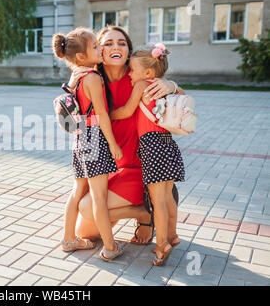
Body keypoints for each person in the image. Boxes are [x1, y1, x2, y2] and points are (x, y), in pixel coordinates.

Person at [72, 26, 185, 247]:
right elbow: (78, 129)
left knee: (88, 207)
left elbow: (181, 100)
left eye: (121, 43)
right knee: (86, 230)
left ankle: (148, 212)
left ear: (128, 51)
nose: (115, 47)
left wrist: (171, 85)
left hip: (142, 169)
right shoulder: (92, 82)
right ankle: (143, 211)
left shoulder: (138, 78)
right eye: (107, 43)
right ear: (98, 52)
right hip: (110, 168)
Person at [52, 27, 124, 262]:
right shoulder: (93, 78)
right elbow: (102, 114)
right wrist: (112, 144)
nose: (101, 48)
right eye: (95, 46)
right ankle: (110, 246)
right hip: (94, 138)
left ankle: (68, 238)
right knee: (98, 197)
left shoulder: (76, 77)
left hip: (80, 139)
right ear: (81, 56)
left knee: (77, 192)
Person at [129, 44, 185, 265]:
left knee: (157, 201)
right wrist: (173, 85)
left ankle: (162, 244)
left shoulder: (143, 85)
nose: (130, 74)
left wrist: (106, 113)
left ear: (148, 73)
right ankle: (173, 235)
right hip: (168, 144)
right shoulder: (165, 87)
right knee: (168, 195)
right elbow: (183, 95)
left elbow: (126, 111)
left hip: (152, 147)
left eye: (132, 70)